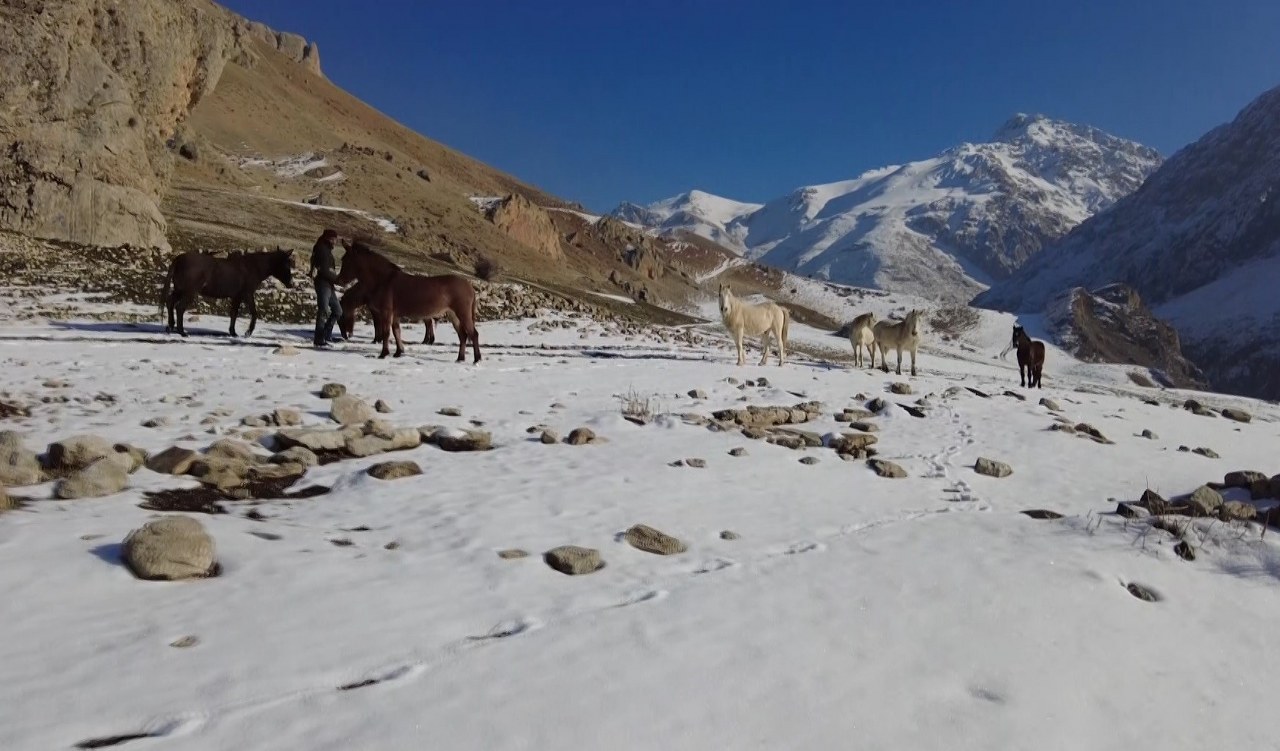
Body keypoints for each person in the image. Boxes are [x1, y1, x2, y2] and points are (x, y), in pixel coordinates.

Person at [310, 228, 343, 347]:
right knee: (323, 310)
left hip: (329, 285)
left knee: (337, 311)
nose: (335, 242)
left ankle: (326, 334)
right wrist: (338, 280)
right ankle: (319, 338)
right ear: (329, 238)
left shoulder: (325, 249)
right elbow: (324, 270)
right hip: (323, 284)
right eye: (334, 239)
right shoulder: (322, 250)